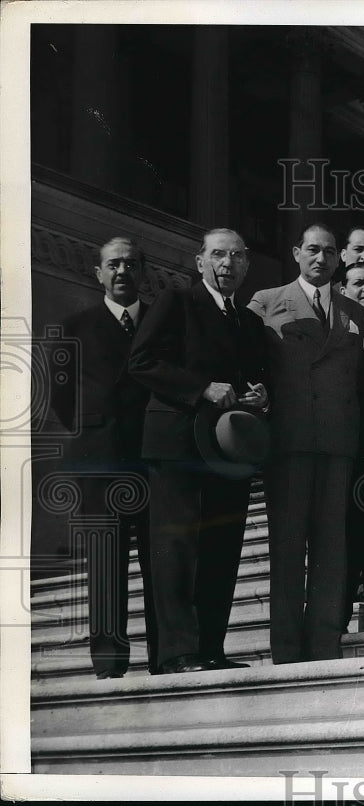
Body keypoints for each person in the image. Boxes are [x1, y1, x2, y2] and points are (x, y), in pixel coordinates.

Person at [129, 228, 269, 674]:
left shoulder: (248, 322)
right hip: (177, 445)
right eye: (218, 255)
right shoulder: (178, 302)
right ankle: (176, 653)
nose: (227, 264)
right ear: (200, 262)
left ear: (247, 264)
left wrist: (261, 395)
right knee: (177, 549)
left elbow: (254, 377)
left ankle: (210, 646)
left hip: (226, 449)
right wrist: (201, 388)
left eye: (236, 256)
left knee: (221, 549)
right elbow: (143, 361)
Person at [247, 223, 364, 663]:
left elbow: (359, 381)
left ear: (340, 260)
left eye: (330, 252)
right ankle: (286, 648)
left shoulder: (354, 312)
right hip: (290, 440)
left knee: (330, 550)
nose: (321, 258)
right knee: (287, 546)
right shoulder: (266, 302)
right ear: (297, 252)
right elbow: (249, 362)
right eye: (313, 250)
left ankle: (323, 643)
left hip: (337, 441)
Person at [50, 236, 157, 678]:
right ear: (98, 273)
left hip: (153, 459)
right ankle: (110, 664)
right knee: (106, 563)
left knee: (159, 561)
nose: (121, 273)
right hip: (99, 461)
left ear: (142, 272)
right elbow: (61, 397)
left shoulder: (159, 321)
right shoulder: (75, 325)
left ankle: (165, 657)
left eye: (131, 265)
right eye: (113, 264)